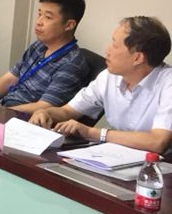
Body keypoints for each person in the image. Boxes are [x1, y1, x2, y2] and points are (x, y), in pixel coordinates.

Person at [30, 16, 172, 153]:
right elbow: (67, 112)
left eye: (115, 45)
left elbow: (157, 142)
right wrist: (45, 112)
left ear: (137, 58)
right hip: (117, 156)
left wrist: (92, 133)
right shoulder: (109, 77)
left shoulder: (168, 84)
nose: (107, 51)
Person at [0, 0, 88, 112]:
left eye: (48, 17)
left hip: (26, 119)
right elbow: (9, 79)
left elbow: (45, 106)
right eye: (39, 14)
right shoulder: (38, 46)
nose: (39, 22)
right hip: (6, 109)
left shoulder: (72, 63)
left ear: (69, 25)